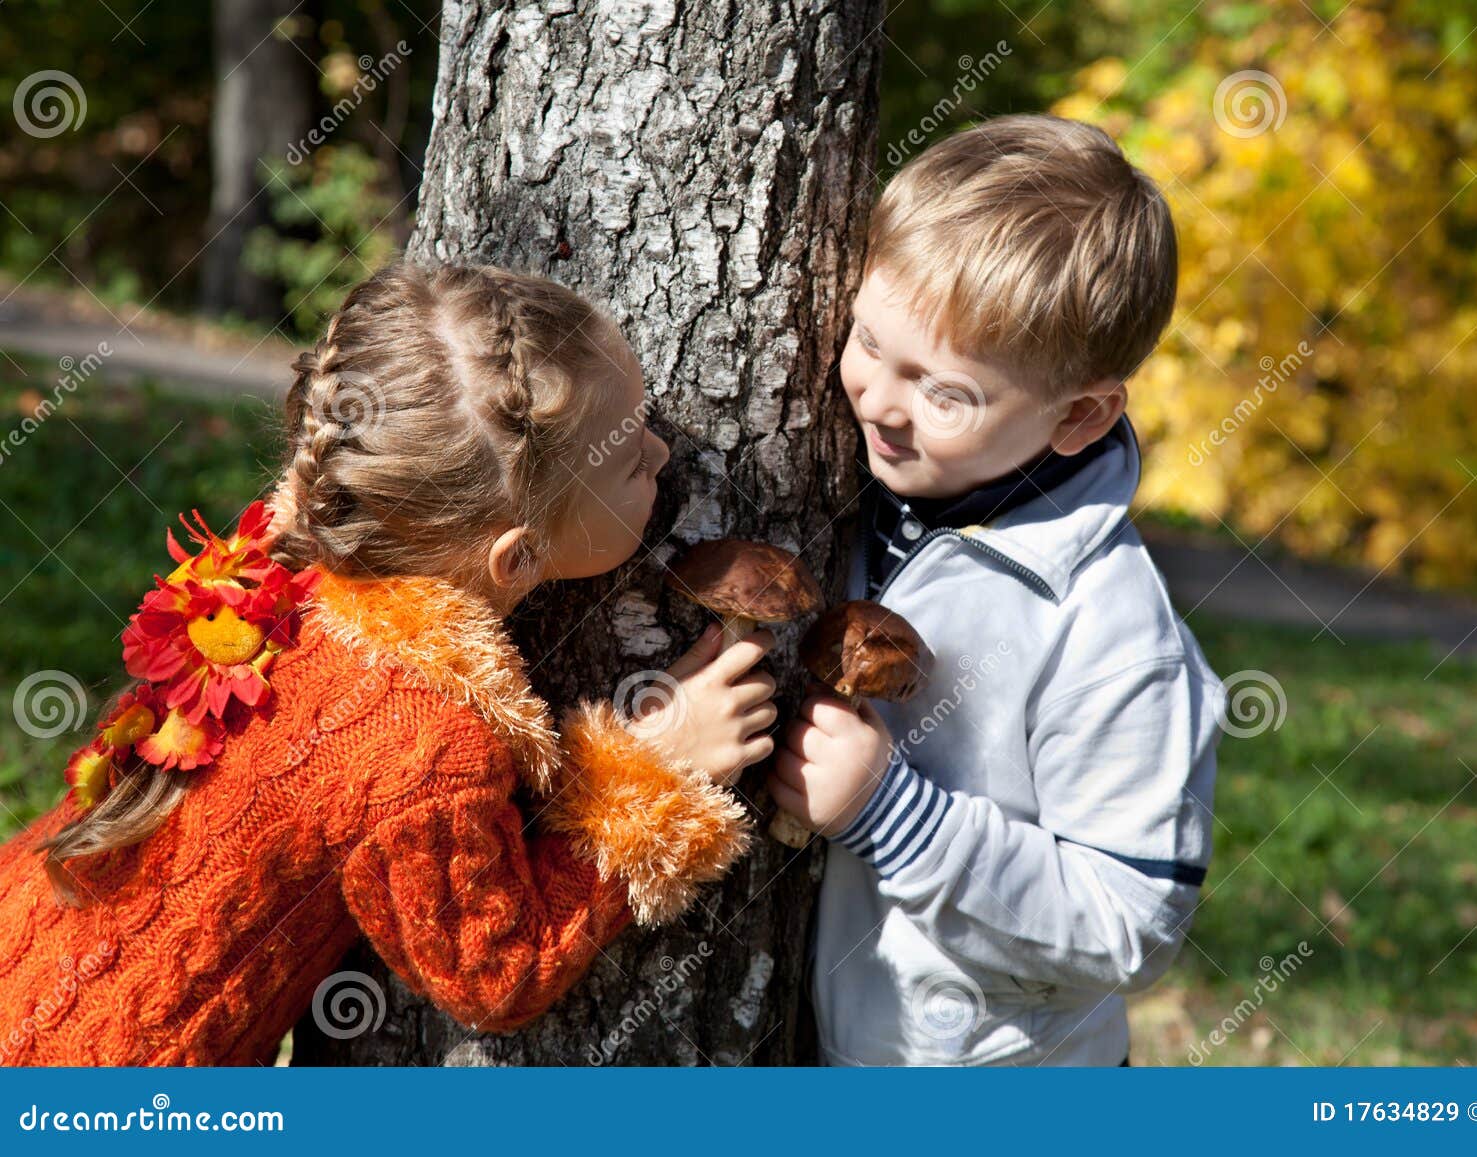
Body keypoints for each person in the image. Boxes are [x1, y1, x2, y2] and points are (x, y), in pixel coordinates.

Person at [0, 263, 776, 1066]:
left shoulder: (274, 572)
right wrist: (650, 774)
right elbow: (493, 972)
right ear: (518, 558)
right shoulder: (420, 740)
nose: (658, 448)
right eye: (631, 463)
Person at [770, 115, 1223, 1066]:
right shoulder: (859, 491)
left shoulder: (1107, 625)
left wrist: (893, 814)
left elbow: (1130, 918)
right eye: (867, 340)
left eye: (944, 392)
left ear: (1081, 415)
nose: (878, 402)